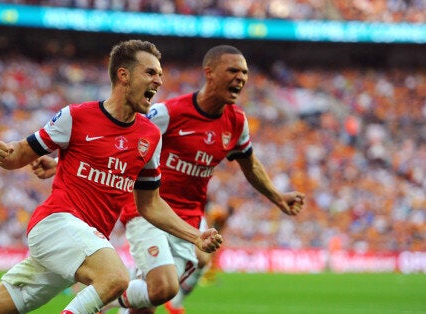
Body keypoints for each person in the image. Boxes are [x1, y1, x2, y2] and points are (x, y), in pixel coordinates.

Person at [31, 45, 306, 314]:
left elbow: (251, 165)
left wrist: (278, 197)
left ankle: (109, 288)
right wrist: (58, 163)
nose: (241, 78)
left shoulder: (236, 123)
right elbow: (120, 141)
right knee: (163, 288)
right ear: (209, 73)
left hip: (188, 216)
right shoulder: (168, 113)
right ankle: (104, 292)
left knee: (149, 302)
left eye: (245, 73)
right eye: (233, 70)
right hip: (148, 208)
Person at [0, 39, 223, 314]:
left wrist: (196, 236)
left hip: (84, 241)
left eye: (160, 75)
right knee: (116, 277)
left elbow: (150, 204)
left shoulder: (150, 136)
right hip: (56, 224)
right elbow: (21, 153)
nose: (158, 81)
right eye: (150, 73)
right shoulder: (76, 116)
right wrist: (6, 153)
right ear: (123, 75)